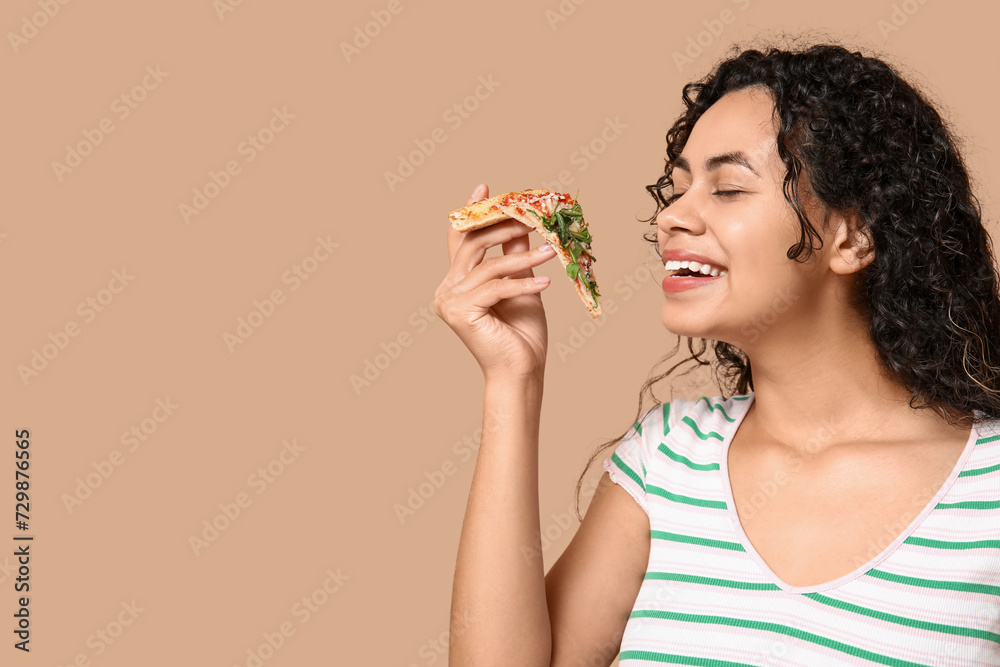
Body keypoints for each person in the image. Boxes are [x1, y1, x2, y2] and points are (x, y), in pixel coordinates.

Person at [434, 40, 1000, 666]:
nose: (673, 216)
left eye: (728, 188)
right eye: (676, 189)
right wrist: (513, 380)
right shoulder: (669, 458)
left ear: (853, 236)